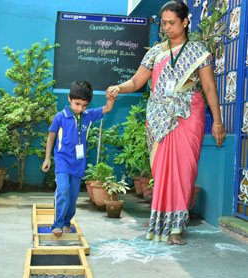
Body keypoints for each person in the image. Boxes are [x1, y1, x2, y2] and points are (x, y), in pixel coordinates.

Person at [106, 0, 226, 245]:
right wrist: (119, 87)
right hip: (159, 118)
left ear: (185, 22)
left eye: (172, 23)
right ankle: (160, 220)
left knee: (183, 172)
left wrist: (218, 121)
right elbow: (137, 82)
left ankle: (176, 228)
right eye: (164, 23)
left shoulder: (198, 53)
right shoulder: (156, 52)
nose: (167, 27)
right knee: (161, 173)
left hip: (187, 116)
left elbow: (209, 87)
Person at [42, 80, 116, 236]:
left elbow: (107, 108)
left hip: (78, 163)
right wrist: (47, 158)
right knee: (63, 190)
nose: (80, 108)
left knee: (73, 194)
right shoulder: (60, 117)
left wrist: (111, 98)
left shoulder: (88, 116)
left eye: (84, 105)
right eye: (77, 104)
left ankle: (67, 222)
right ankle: (58, 223)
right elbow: (51, 136)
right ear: (69, 98)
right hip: (62, 161)